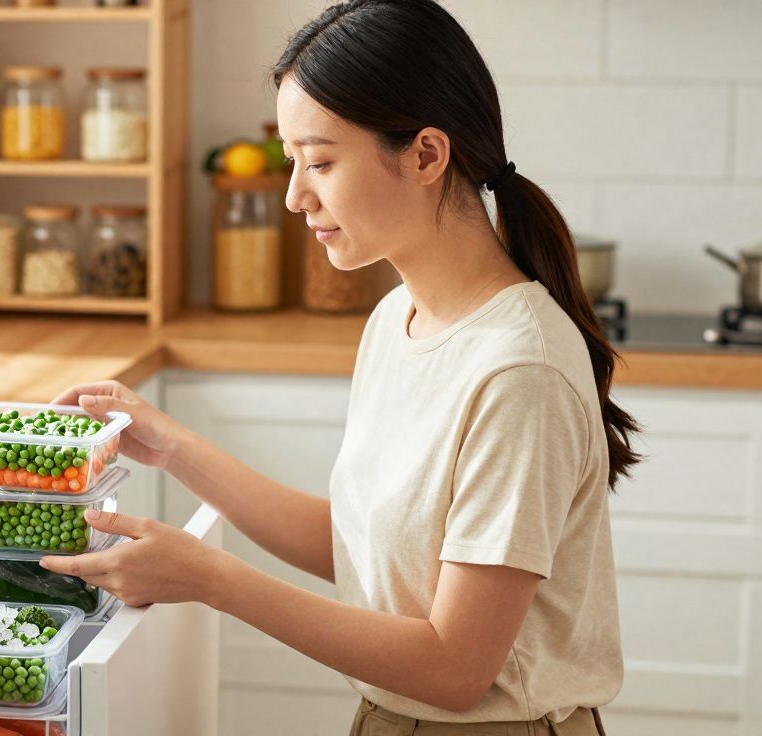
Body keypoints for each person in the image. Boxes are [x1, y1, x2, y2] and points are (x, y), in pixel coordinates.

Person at [38, 1, 638, 733]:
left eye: (319, 161)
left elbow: (453, 669)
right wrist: (175, 449)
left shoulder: (519, 373)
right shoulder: (398, 319)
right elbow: (369, 550)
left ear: (425, 155)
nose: (295, 195)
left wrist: (209, 578)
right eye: (291, 161)